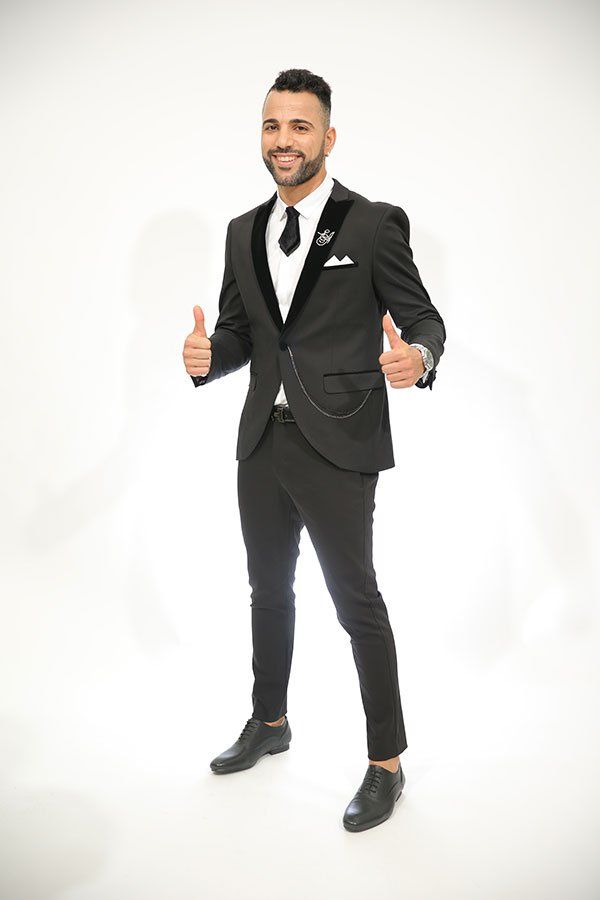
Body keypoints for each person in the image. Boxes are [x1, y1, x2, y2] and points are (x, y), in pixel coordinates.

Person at [182, 68, 446, 832]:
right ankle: (270, 721)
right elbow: (240, 332)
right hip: (262, 440)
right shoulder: (242, 231)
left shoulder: (371, 224)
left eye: (299, 127)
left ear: (328, 137)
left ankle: (386, 763)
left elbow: (424, 319)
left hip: (340, 438)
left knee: (356, 601)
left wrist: (419, 357)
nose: (284, 140)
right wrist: (209, 356)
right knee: (268, 590)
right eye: (273, 126)